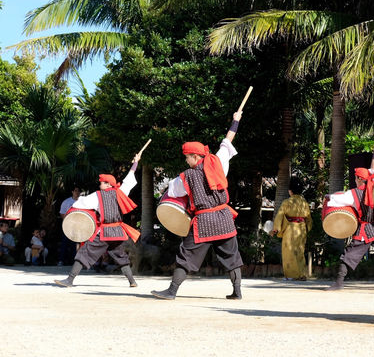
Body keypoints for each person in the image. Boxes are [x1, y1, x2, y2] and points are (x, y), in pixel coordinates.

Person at [151, 111, 244, 300]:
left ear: (194, 156)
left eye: (187, 157)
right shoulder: (218, 161)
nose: (186, 160)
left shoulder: (186, 176)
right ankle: (237, 292)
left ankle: (171, 291)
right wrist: (236, 121)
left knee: (186, 256)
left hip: (203, 222)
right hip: (225, 218)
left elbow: (174, 192)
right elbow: (228, 140)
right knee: (232, 257)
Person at [54, 153, 141, 288]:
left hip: (105, 232)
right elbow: (129, 179)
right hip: (118, 231)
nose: (100, 184)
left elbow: (78, 204)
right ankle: (132, 281)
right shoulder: (121, 191)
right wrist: (136, 163)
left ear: (107, 184)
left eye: (102, 182)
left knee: (85, 252)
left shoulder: (97, 196)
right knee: (120, 255)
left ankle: (70, 280)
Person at [325, 136, 374, 291]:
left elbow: (336, 201)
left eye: (356, 177)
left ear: (358, 179)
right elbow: (373, 168)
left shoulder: (353, 194)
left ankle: (338, 283)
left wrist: (328, 197)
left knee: (348, 255)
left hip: (364, 231)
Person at [271, 176, 312, 280]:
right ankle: (302, 274)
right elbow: (308, 218)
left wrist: (275, 228)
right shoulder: (304, 203)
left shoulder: (287, 202)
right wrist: (308, 228)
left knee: (289, 252)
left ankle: (292, 275)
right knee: (300, 251)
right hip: (302, 228)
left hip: (290, 228)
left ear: (290, 191)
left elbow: (280, 215)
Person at [58, 187, 81, 265]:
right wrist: (68, 222)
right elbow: (62, 213)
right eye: (75, 191)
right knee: (64, 243)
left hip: (78, 226)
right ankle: (61, 260)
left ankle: (73, 261)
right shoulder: (66, 202)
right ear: (72, 191)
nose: (77, 192)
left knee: (75, 244)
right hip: (68, 225)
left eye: (78, 191)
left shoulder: (82, 202)